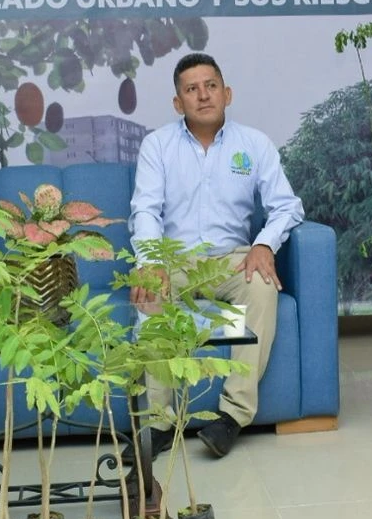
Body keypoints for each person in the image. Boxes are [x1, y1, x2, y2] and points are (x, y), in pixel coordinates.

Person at [129, 53, 304, 461]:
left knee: (262, 285)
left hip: (232, 261)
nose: (202, 95)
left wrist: (264, 245)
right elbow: (146, 211)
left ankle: (231, 418)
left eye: (210, 86)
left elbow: (287, 207)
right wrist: (151, 261)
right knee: (152, 294)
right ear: (178, 103)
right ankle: (158, 424)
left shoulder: (254, 144)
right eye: (191, 89)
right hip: (174, 261)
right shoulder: (157, 145)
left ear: (227, 93)